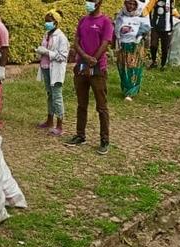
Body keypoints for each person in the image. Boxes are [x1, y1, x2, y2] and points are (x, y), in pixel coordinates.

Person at [65, 0, 113, 155]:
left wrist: (93, 59)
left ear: (99, 3)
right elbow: (76, 42)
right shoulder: (83, 20)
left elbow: (105, 43)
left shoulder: (105, 22)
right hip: (81, 66)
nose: (89, 3)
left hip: (98, 69)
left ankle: (104, 140)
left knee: (101, 106)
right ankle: (80, 135)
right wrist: (85, 57)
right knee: (81, 104)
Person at [35, 9, 68, 136]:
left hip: (56, 70)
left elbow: (63, 56)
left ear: (56, 22)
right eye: (45, 21)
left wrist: (47, 52)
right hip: (46, 68)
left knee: (57, 96)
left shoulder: (61, 37)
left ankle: (59, 125)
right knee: (50, 95)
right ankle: (49, 120)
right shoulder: (47, 34)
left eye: (48, 21)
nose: (46, 24)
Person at [114, 0, 151, 101]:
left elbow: (146, 28)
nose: (130, 6)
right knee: (123, 68)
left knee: (134, 68)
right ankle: (126, 88)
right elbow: (116, 29)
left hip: (135, 46)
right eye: (128, 3)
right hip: (123, 46)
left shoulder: (142, 15)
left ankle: (131, 91)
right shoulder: (121, 15)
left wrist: (139, 35)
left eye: (133, 4)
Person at [148, 0, 173, 69]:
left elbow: (173, 11)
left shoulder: (170, 1)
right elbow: (148, 9)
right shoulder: (154, 1)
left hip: (166, 28)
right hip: (155, 27)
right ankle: (154, 61)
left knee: (165, 47)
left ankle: (163, 64)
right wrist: (150, 22)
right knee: (153, 45)